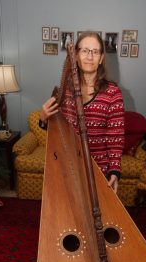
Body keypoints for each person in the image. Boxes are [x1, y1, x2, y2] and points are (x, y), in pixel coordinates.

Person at [40, 31, 125, 193]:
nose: (89, 56)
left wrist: (114, 171)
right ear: (76, 56)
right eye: (84, 50)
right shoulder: (64, 90)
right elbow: (57, 130)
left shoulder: (113, 93)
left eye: (95, 51)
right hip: (68, 167)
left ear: (101, 58)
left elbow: (115, 137)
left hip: (98, 171)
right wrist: (43, 119)